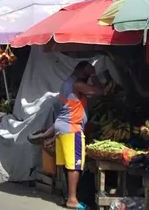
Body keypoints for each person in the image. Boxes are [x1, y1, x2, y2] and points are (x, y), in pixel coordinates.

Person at [55, 61, 103, 210]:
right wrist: (94, 75)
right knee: (75, 165)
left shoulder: (66, 83)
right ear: (83, 71)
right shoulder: (77, 84)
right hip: (72, 128)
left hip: (61, 127)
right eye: (87, 74)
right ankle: (72, 199)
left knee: (67, 165)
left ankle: (68, 197)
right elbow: (99, 92)